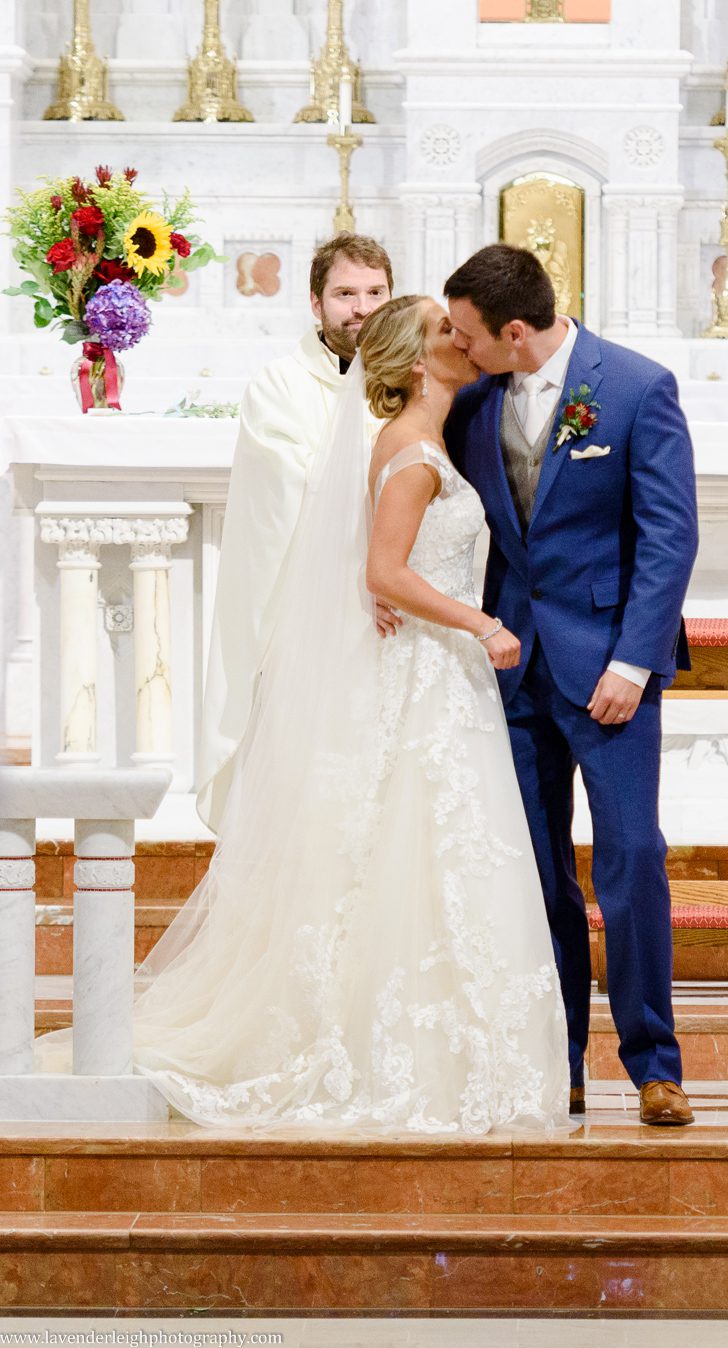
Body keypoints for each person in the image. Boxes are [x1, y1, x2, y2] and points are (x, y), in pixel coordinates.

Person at [35, 295, 570, 1135]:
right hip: (435, 669)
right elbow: (386, 573)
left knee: (428, 854)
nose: (461, 341)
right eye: (443, 333)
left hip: (437, 676)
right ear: (413, 360)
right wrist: (481, 622)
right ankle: (388, 1048)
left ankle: (438, 1041)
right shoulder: (413, 451)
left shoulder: (422, 440)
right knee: (414, 849)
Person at [443, 245, 699, 1125]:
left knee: (630, 859)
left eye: (469, 333)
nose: (458, 345)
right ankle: (556, 1060)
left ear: (515, 331)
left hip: (610, 669)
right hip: (513, 670)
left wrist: (633, 661)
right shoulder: (473, 403)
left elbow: (668, 538)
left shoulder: (634, 388)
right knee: (536, 873)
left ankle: (654, 1064)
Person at [197, 232, 393, 832]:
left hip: (398, 606)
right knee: (312, 773)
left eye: (375, 292)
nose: (361, 307)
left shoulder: (411, 378)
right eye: (345, 294)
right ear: (315, 303)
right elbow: (286, 495)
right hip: (312, 610)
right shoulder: (278, 385)